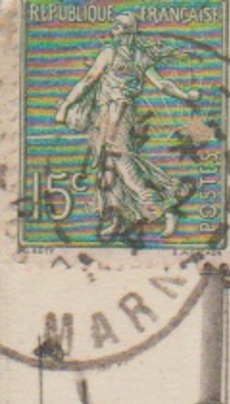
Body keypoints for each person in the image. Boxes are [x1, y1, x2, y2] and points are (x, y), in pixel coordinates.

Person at [52, 13, 202, 240]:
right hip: (103, 115)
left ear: (130, 31)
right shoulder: (109, 52)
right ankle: (116, 218)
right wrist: (65, 106)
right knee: (107, 166)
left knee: (124, 164)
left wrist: (185, 95)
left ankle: (165, 207)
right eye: (115, 26)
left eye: (121, 26)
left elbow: (162, 84)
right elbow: (88, 81)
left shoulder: (135, 56)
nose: (116, 29)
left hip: (120, 115)